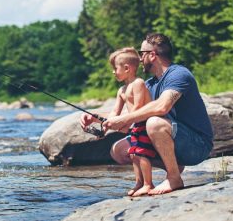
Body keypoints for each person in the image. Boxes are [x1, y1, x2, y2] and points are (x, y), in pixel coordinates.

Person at [103, 33, 214, 195]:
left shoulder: (179, 74)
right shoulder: (149, 84)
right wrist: (96, 120)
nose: (140, 59)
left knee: (154, 123)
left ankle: (174, 178)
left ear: (152, 55)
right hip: (174, 141)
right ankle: (172, 166)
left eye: (142, 54)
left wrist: (125, 119)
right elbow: (134, 114)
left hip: (197, 145)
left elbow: (162, 106)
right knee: (119, 150)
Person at [80, 47, 157, 197]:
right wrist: (103, 129)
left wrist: (125, 124)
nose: (113, 72)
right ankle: (139, 183)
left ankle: (148, 184)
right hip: (134, 126)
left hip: (143, 124)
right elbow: (115, 113)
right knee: (133, 154)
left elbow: (138, 108)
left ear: (127, 68)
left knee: (142, 154)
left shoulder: (139, 83)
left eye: (115, 68)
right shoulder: (121, 90)